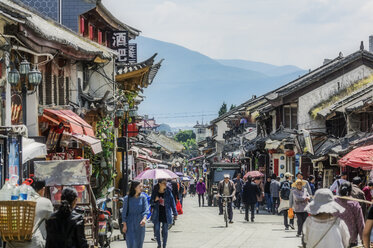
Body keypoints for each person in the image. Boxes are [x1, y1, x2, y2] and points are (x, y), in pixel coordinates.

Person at [9, 178, 53, 248]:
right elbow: (52, 222)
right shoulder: (45, 202)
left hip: (12, 243)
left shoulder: (14, 200)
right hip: (33, 244)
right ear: (43, 189)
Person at [334, 181, 365, 247]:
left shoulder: (334, 201)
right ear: (351, 191)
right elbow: (360, 223)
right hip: (351, 238)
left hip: (336, 237)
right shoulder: (354, 203)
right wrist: (364, 239)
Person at [121, 180, 150, 248]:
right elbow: (124, 212)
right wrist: (124, 225)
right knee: (130, 243)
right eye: (140, 186)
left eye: (142, 186)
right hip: (129, 223)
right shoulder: (127, 198)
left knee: (139, 244)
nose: (141, 188)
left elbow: (146, 210)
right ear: (134, 187)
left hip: (140, 223)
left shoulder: (143, 198)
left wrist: (144, 219)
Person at [151, 179, 178, 248]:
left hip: (166, 213)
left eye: (166, 183)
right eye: (164, 183)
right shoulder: (155, 192)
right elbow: (151, 202)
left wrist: (175, 213)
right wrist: (155, 200)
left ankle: (164, 245)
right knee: (157, 229)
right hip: (157, 213)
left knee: (165, 230)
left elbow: (173, 203)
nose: (166, 184)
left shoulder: (168, 192)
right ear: (159, 184)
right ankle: (159, 244)